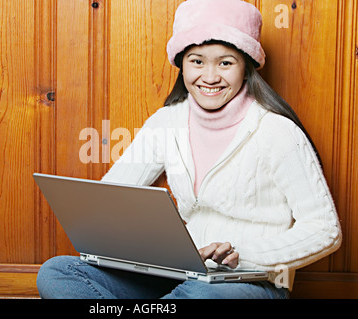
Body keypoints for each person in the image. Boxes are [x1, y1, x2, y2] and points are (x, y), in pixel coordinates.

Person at [36, 0, 342, 299]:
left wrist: (243, 255)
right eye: (197, 61)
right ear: (181, 65)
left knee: (197, 295)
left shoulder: (277, 132)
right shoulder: (167, 122)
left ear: (246, 68)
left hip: (250, 281)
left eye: (225, 62)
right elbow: (110, 197)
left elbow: (325, 231)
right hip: (178, 274)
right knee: (58, 271)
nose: (209, 77)